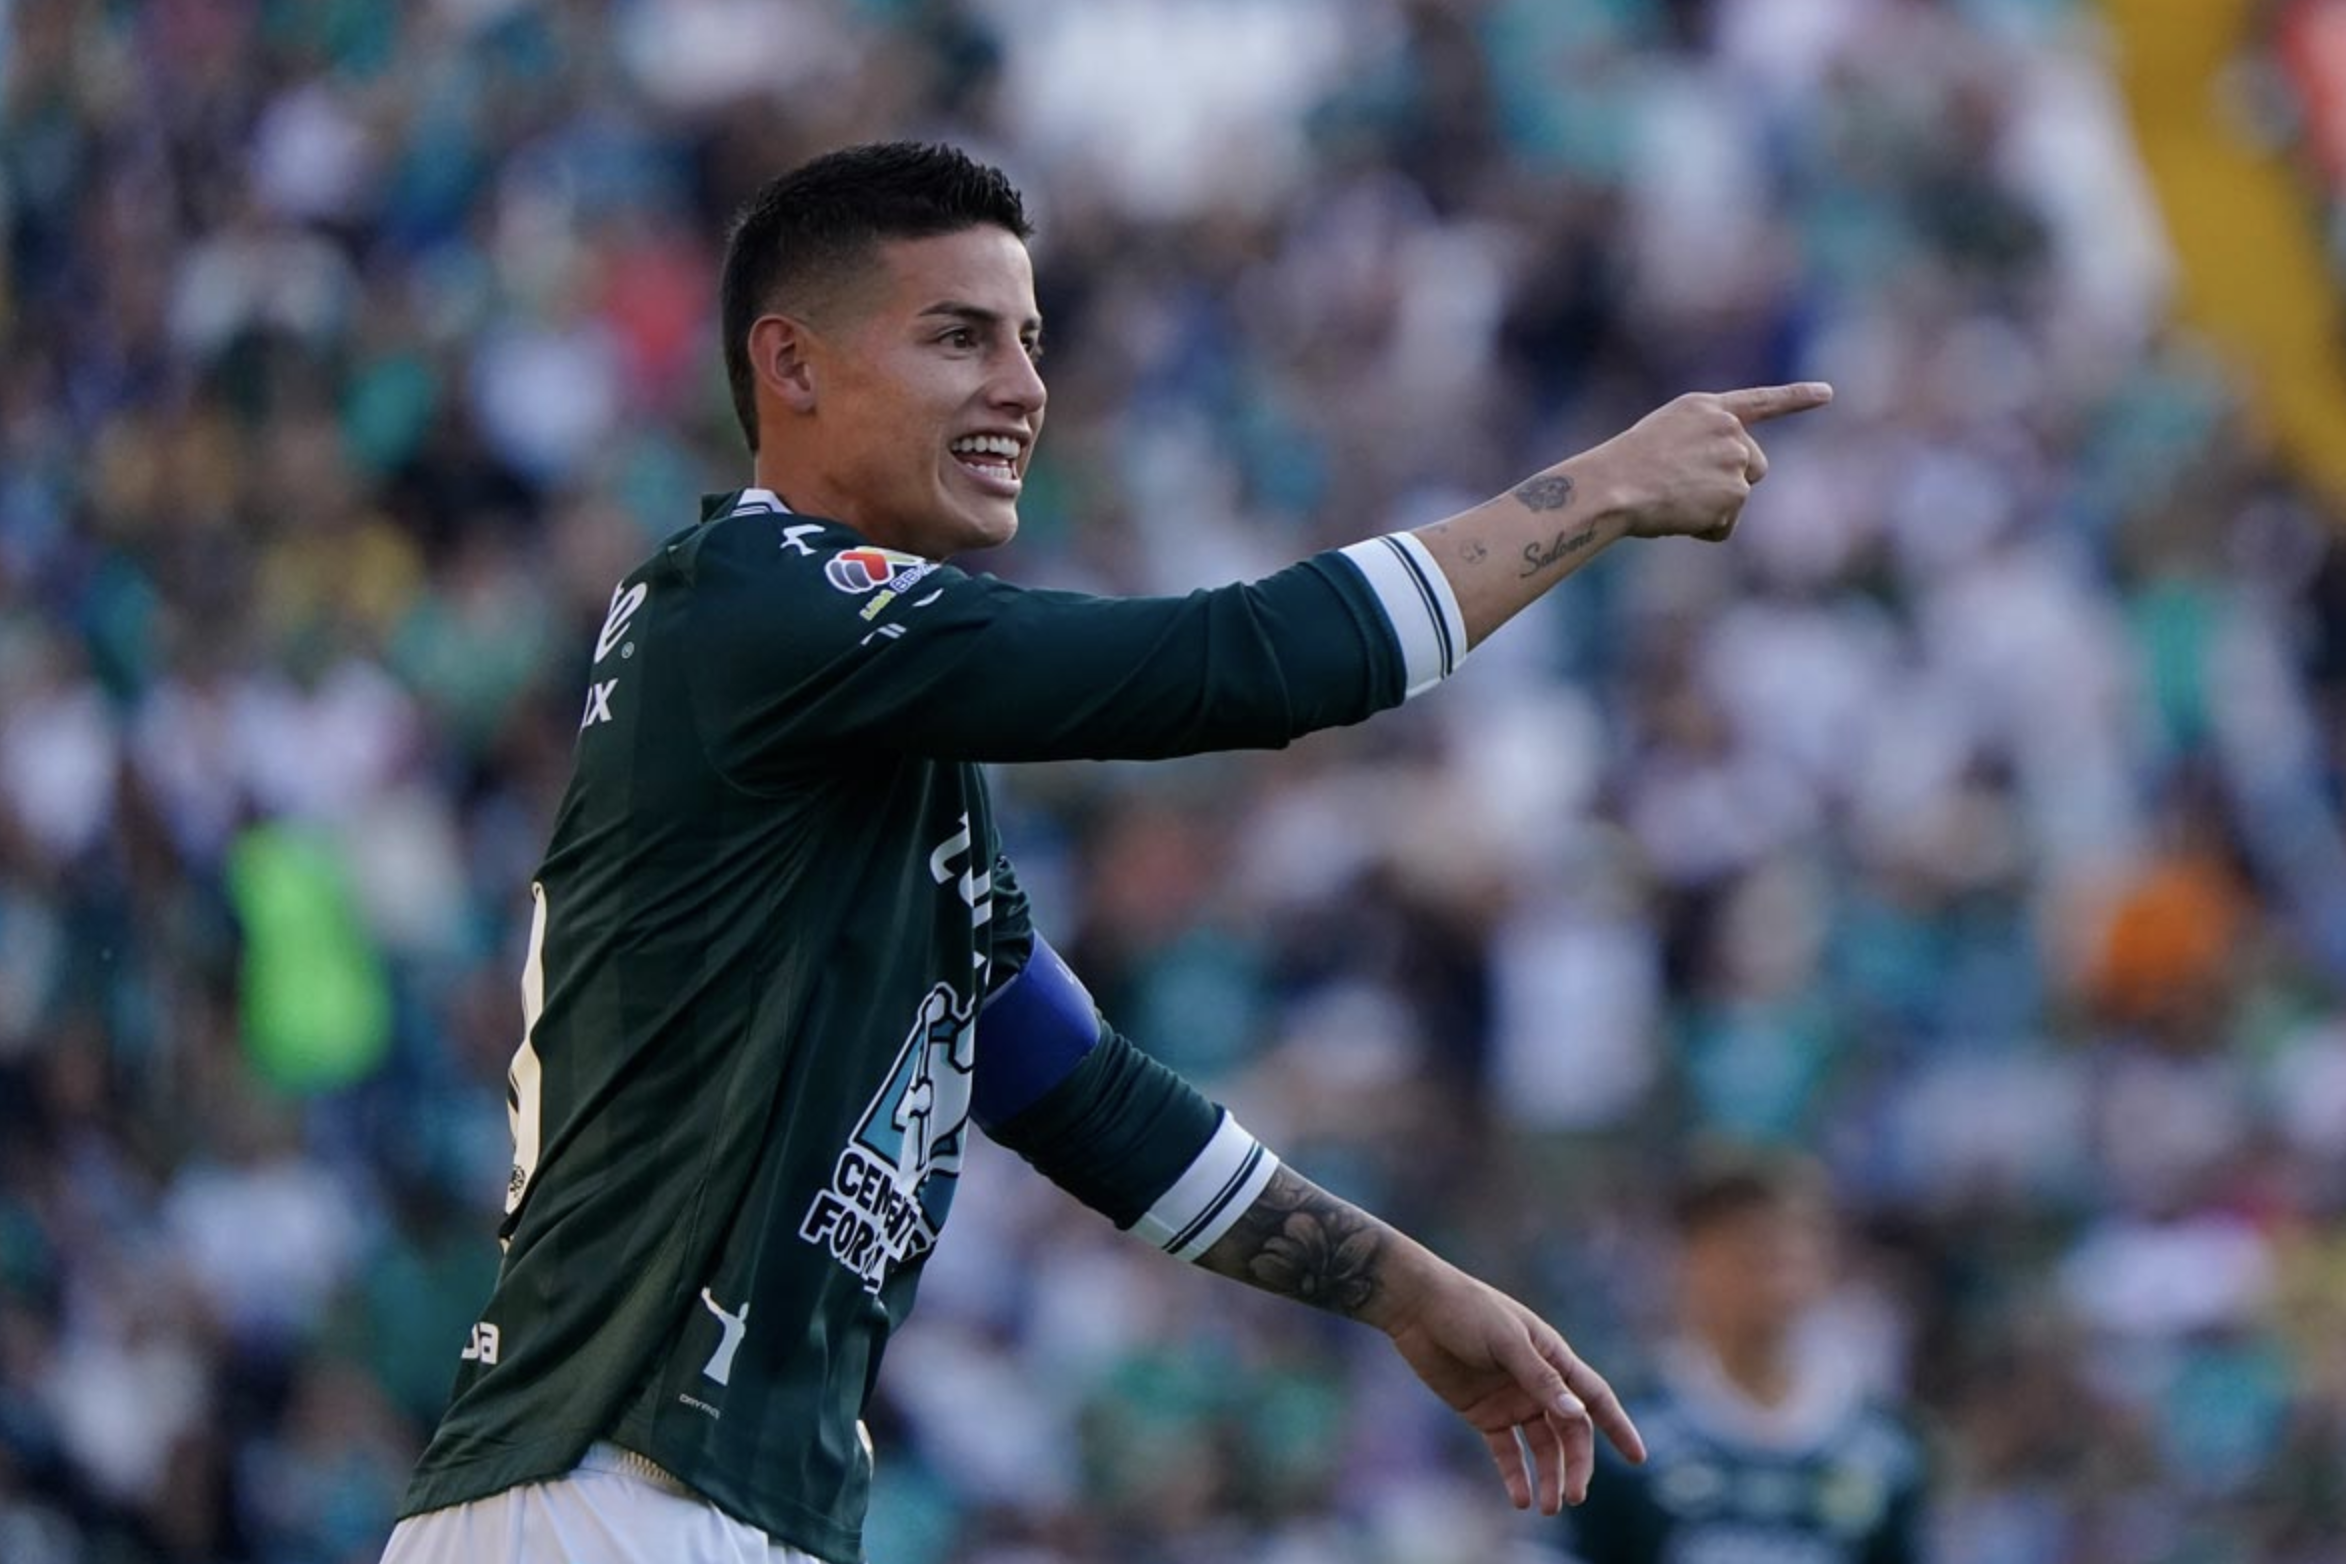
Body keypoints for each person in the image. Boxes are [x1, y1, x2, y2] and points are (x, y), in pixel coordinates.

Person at [379, 139, 1832, 1564]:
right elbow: (1234, 663)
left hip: (696, 1499)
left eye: (1029, 341)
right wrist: (1601, 493)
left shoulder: (868, 740)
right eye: (959, 337)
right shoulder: (753, 603)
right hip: (608, 1493)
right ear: (793, 364)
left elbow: (1076, 1091)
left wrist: (1406, 1290)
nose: (1022, 387)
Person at [1559, 1149, 1928, 1564]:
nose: (1772, 1269)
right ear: (1690, 1261)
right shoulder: (1624, 1434)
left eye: (1787, 1246)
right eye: (1745, 1247)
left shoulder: (1882, 1449)